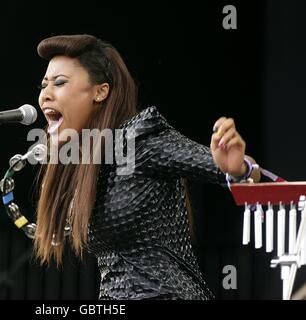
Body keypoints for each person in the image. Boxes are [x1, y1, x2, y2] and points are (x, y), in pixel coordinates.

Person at [33, 34, 261, 300]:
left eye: (59, 83)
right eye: (43, 85)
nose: (45, 95)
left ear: (100, 91)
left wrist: (239, 168)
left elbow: (245, 173)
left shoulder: (141, 140)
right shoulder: (87, 158)